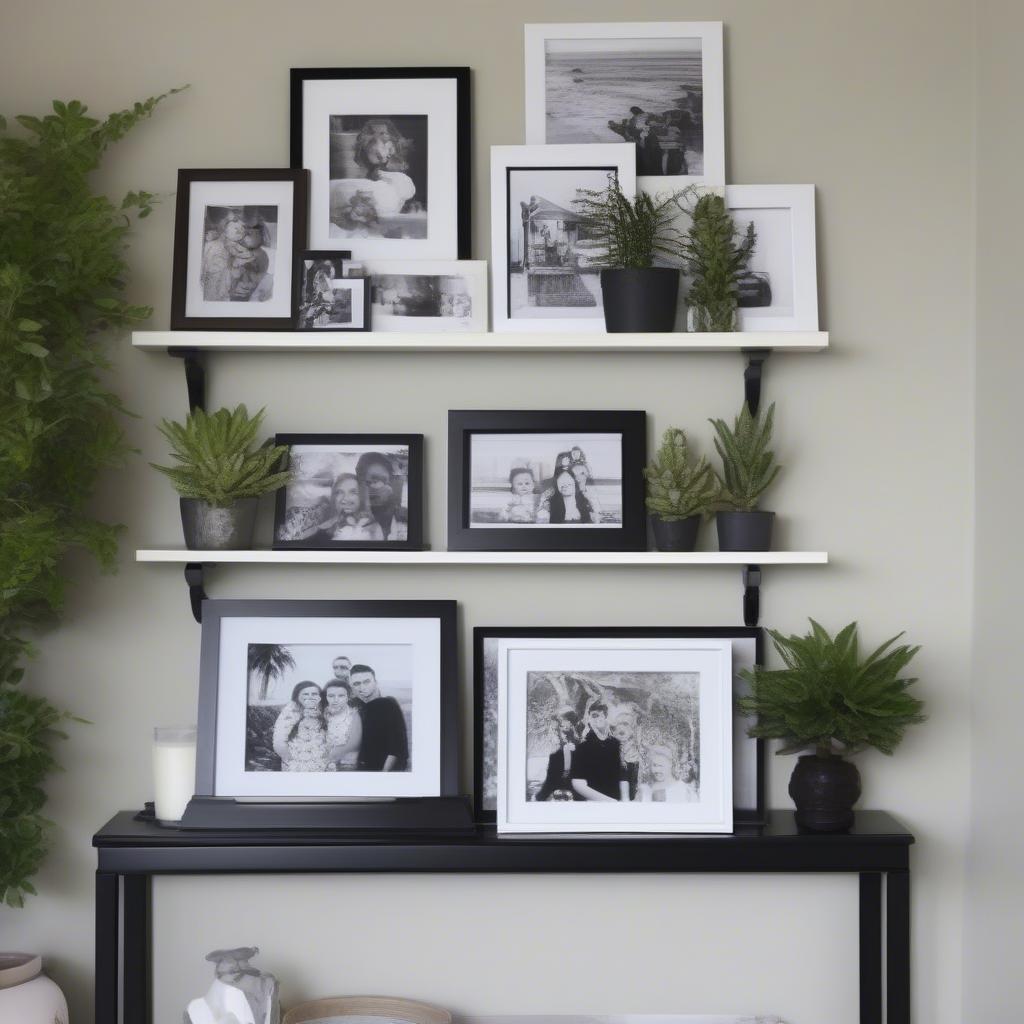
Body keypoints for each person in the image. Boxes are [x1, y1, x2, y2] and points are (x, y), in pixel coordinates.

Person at [351, 664, 409, 771]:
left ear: (375, 682)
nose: (362, 687)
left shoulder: (387, 704)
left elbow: (397, 748)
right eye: (356, 684)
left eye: (366, 681)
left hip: (380, 769)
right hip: (360, 769)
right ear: (352, 686)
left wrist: (384, 775)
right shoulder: (357, 706)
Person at [570, 702, 629, 801]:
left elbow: (623, 776)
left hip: (617, 803)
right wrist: (610, 802)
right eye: (594, 716)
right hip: (593, 804)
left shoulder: (616, 744)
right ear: (589, 719)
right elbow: (578, 783)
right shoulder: (582, 747)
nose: (599, 719)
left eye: (603, 715)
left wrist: (625, 800)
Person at [271, 682, 328, 772]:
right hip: (296, 760)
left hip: (321, 758)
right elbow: (279, 740)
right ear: (297, 696)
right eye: (305, 694)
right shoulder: (291, 710)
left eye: (314, 694)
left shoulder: (323, 709)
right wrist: (290, 761)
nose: (310, 697)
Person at [356, 451, 408, 541]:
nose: (371, 488)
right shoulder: (356, 527)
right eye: (366, 483)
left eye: (376, 480)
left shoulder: (407, 521)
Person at [535, 708, 583, 801]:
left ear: (570, 722)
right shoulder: (560, 731)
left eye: (565, 721)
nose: (563, 723)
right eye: (562, 721)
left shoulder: (575, 732)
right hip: (562, 763)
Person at [328, 473, 385, 542]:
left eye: (353, 492)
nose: (345, 498)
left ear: (362, 497)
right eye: (340, 492)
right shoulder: (326, 528)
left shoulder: (373, 528)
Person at [324, 680, 362, 770]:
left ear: (347, 697)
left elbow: (354, 743)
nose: (335, 700)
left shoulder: (354, 715)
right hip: (324, 764)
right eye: (331, 696)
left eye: (341, 696)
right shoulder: (324, 713)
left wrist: (328, 757)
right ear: (326, 697)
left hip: (348, 764)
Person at [611, 709, 641, 801]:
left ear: (632, 731)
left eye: (625, 724)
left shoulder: (635, 746)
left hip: (632, 767)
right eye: (618, 724)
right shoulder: (612, 746)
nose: (621, 728)